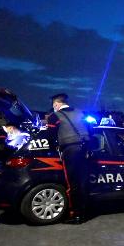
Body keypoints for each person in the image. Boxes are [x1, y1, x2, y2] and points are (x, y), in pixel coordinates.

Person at [46, 93, 91, 224]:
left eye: (53, 105)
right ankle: (85, 211)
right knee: (83, 181)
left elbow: (50, 136)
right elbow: (91, 130)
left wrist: (53, 148)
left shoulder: (55, 116)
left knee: (73, 183)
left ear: (56, 104)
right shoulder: (80, 112)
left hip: (70, 151)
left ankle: (76, 215)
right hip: (85, 150)